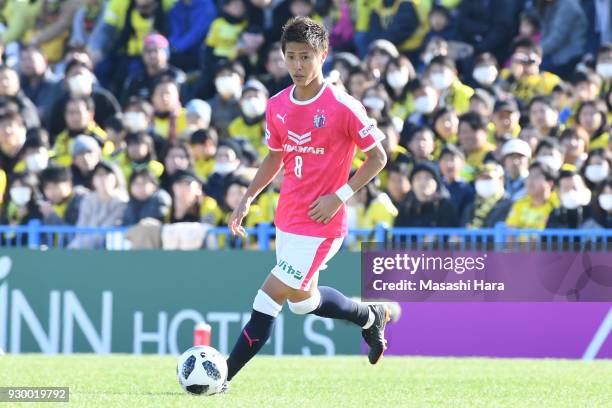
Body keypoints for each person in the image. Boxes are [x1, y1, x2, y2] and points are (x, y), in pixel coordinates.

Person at [223, 17, 389, 390]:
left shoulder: (343, 105)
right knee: (304, 302)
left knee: (270, 296)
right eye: (292, 57)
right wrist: (247, 198)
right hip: (288, 218)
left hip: (322, 223)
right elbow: (274, 157)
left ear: (323, 55)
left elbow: (378, 157)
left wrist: (339, 196)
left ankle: (222, 376)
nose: (298, 65)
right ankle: (370, 316)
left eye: (306, 57)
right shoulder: (278, 105)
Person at [69, 161, 128, 248]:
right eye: (98, 175)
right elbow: (81, 227)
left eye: (107, 174)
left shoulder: (122, 201)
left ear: (116, 177)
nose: (102, 179)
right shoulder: (88, 199)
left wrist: (78, 245)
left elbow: (106, 231)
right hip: (83, 245)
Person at [461, 163, 513, 228]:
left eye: (488, 178)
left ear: (501, 180)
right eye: (480, 178)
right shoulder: (471, 206)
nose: (484, 181)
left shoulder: (509, 204)